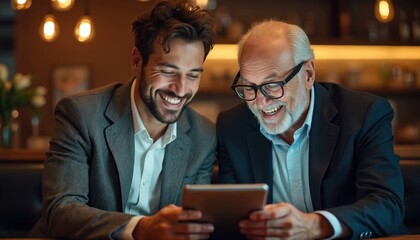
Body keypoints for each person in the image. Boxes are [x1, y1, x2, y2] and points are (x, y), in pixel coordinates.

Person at [29, 1, 216, 239]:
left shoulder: (204, 136)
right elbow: (61, 212)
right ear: (137, 61)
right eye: (168, 72)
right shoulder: (80, 114)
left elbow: (196, 223)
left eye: (192, 75)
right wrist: (141, 228)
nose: (180, 89)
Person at [216, 20, 407, 239]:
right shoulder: (231, 127)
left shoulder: (364, 115)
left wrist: (314, 225)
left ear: (308, 74)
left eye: (272, 85)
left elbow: (387, 205)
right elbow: (229, 221)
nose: (260, 103)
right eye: (249, 87)